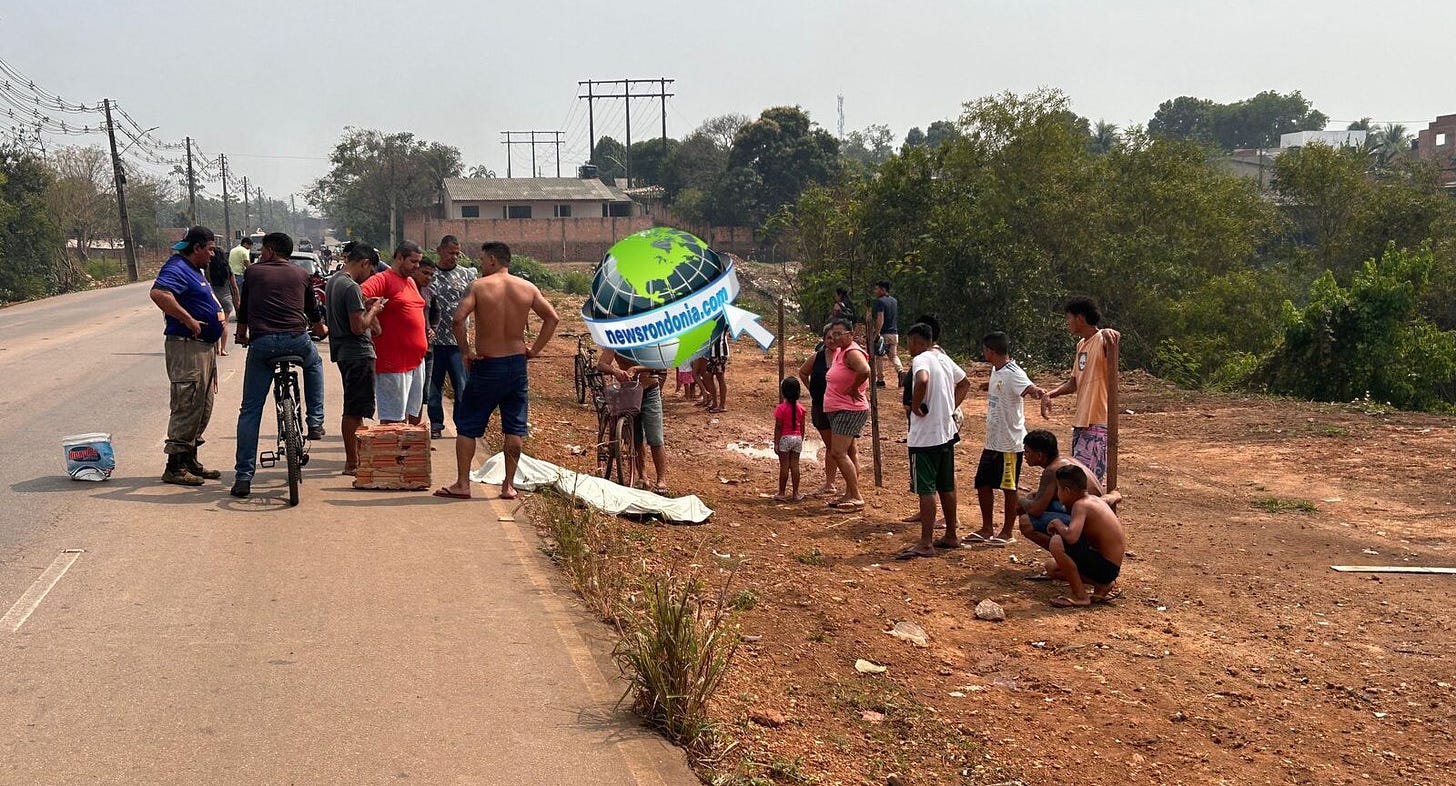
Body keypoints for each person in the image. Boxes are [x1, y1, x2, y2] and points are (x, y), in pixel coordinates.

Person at [436, 242, 559, 501]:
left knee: (468, 426)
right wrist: (534, 349)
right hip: (516, 364)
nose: (480, 265)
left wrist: (465, 351)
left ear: (492, 260)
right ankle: (508, 485)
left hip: (488, 363)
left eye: (482, 260)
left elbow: (458, 319)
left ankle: (462, 483)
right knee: (514, 427)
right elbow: (552, 318)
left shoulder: (480, 286)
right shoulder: (527, 287)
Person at [231, 232, 328, 498]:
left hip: (262, 345)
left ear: (271, 251)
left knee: (250, 410)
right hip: (297, 341)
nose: (260, 254)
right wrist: (321, 330)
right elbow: (314, 313)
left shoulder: (253, 273)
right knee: (314, 364)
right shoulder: (301, 275)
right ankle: (315, 421)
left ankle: (243, 476)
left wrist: (242, 335)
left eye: (263, 250)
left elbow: (244, 310)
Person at [150, 226, 224, 486]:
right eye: (211, 249)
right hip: (186, 347)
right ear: (197, 248)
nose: (213, 255)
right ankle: (174, 467)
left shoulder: (195, 270)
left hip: (202, 348)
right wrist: (189, 320)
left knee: (201, 406)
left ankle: (190, 459)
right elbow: (159, 294)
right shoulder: (177, 267)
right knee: (187, 402)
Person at [895, 322, 970, 559]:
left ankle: (926, 542)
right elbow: (964, 382)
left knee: (925, 488)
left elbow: (923, 380)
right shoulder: (943, 358)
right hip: (946, 433)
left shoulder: (921, 360)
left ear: (916, 342)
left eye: (909, 343)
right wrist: (948, 408)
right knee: (946, 485)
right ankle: (951, 534)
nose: (908, 348)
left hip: (924, 437)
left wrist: (916, 405)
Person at [968, 332, 1045, 546]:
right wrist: (987, 385)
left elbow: (1029, 388)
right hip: (992, 441)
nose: (984, 353)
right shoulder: (996, 369)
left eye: (985, 350)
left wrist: (1040, 393)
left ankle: (1007, 532)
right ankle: (986, 528)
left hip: (1010, 443)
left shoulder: (1014, 372)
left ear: (990, 351)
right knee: (982, 483)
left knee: (1008, 487)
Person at [1041, 297, 1120, 486]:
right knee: (1078, 479)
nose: (1067, 323)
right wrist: (1050, 394)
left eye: (1068, 318)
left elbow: (1113, 339)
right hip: (1081, 422)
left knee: (1086, 483)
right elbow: (1073, 383)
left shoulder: (1102, 339)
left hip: (1097, 420)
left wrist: (1110, 332)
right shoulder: (1081, 345)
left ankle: (1093, 514)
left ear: (1079, 318)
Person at [325, 243, 386, 475]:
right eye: (370, 271)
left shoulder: (334, 281)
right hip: (357, 353)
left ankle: (357, 458)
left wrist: (366, 307)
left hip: (344, 352)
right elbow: (359, 327)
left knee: (356, 407)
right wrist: (375, 310)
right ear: (364, 263)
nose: (369, 276)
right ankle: (352, 462)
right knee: (353, 409)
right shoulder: (350, 287)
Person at [1017, 429, 1121, 558]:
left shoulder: (1052, 470)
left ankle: (1069, 558)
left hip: (1085, 521)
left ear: (1039, 455)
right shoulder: (1066, 461)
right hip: (1095, 515)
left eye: (1027, 451)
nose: (1024, 455)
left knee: (1026, 522)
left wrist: (1020, 500)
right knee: (1034, 498)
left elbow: (1036, 510)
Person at [361, 241, 428, 425]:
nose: (417, 266)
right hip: (394, 362)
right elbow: (360, 295)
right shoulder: (383, 279)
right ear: (399, 258)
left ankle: (406, 453)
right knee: (393, 421)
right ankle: (391, 454)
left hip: (415, 360)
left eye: (418, 262)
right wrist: (374, 320)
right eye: (413, 262)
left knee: (411, 416)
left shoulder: (410, 282)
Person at [1045, 464, 1126, 608]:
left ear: (1067, 491)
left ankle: (1080, 596)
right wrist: (1115, 496)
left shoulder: (1080, 505)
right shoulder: (1093, 499)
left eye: (1058, 489)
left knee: (1057, 542)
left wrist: (1057, 523)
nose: (1057, 494)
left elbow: (1071, 537)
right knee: (1052, 568)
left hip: (1106, 567)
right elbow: (1108, 499)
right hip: (1109, 567)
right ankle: (1102, 584)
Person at [596, 348, 670, 493]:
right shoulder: (616, 341)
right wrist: (615, 371)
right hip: (629, 391)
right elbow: (602, 364)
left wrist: (637, 368)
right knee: (635, 436)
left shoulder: (647, 340)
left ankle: (661, 480)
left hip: (650, 390)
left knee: (655, 437)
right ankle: (642, 476)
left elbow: (660, 364)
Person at [426, 235, 477, 439]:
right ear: (439, 251)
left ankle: (462, 424)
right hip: (434, 342)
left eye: (457, 253)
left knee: (462, 386)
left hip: (458, 342)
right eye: (450, 253)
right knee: (433, 386)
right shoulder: (429, 275)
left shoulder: (467, 275)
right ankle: (436, 424)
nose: (454, 257)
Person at [822, 318, 870, 510]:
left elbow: (865, 370)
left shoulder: (852, 352)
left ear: (850, 334)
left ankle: (856, 496)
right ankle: (850, 493)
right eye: (833, 334)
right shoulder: (840, 352)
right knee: (848, 451)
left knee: (838, 452)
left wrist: (853, 388)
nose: (835, 337)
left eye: (839, 333)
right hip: (839, 408)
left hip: (849, 409)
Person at [797, 323, 839, 497]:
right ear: (824, 339)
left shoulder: (846, 356)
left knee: (847, 447)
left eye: (835, 337)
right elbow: (802, 373)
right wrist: (813, 390)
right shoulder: (817, 357)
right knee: (831, 446)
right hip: (821, 406)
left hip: (840, 407)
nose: (832, 340)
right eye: (829, 337)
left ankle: (852, 483)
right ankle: (830, 483)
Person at [411, 257, 440, 422]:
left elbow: (436, 313)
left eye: (431, 274)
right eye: (425, 273)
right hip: (407, 351)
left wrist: (433, 329)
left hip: (427, 351)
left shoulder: (429, 292)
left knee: (421, 394)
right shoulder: (405, 290)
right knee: (406, 395)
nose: (428, 277)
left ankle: (415, 435)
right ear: (415, 270)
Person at [773, 377, 806, 502]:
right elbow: (802, 426)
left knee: (784, 466)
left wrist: (776, 442)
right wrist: (801, 439)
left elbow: (778, 427)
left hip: (785, 438)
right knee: (795, 466)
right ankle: (796, 493)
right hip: (797, 438)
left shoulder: (781, 409)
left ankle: (781, 492)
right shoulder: (801, 409)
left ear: (783, 392)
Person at [206, 246, 239, 355]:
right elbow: (234, 286)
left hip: (213, 300)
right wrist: (237, 300)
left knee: (215, 323)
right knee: (224, 324)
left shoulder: (208, 269)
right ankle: (223, 349)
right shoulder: (227, 269)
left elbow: (206, 284)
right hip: (226, 299)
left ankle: (216, 348)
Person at [871, 280, 902, 387]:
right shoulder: (894, 301)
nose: (876, 291)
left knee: (878, 356)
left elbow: (880, 318)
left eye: (877, 289)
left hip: (884, 334)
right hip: (894, 333)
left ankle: (880, 380)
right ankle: (901, 372)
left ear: (883, 290)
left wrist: (877, 333)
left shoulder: (880, 302)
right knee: (893, 356)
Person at [704, 329, 730, 412]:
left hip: (721, 352)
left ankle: (722, 405)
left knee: (720, 377)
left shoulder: (723, 319)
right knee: (708, 376)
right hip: (712, 352)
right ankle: (715, 403)